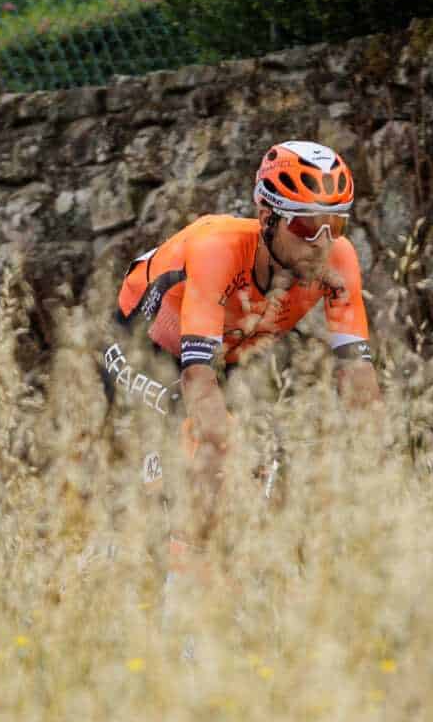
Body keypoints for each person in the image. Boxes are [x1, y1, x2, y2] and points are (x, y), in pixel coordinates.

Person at [107, 140, 382, 526]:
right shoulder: (217, 248)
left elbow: (359, 378)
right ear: (267, 216)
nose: (322, 242)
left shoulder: (339, 259)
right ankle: (166, 564)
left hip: (224, 356)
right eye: (305, 224)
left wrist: (376, 463)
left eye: (335, 224)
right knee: (207, 457)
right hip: (143, 344)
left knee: (265, 472)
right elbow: (197, 377)